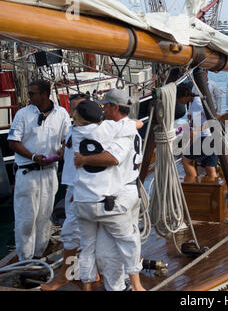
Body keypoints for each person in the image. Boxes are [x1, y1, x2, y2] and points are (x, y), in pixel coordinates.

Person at [71, 100, 145, 291]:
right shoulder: (109, 130)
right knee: (128, 241)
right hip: (104, 201)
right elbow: (138, 124)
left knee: (86, 247)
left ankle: (87, 287)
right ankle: (137, 286)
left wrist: (83, 159)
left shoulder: (74, 132)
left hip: (81, 201)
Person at [7, 79, 71, 261]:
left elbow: (68, 138)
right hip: (28, 174)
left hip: (50, 173)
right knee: (26, 220)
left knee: (44, 218)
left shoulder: (62, 114)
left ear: (44, 94)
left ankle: (38, 255)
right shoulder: (22, 114)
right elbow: (13, 141)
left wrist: (62, 150)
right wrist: (33, 157)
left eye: (33, 93)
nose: (29, 96)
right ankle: (25, 260)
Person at [40, 93, 88, 291]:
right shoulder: (73, 129)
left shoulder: (88, 133)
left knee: (70, 234)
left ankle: (65, 276)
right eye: (73, 109)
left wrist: (82, 188)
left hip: (79, 190)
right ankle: (87, 274)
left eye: (79, 109)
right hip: (71, 187)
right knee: (84, 234)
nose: (74, 113)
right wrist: (61, 152)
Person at [177, 83, 218, 183]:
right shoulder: (192, 102)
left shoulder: (198, 102)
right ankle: (213, 191)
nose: (179, 102)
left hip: (206, 138)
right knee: (210, 167)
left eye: (179, 99)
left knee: (185, 160)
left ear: (184, 96)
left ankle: (192, 184)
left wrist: (196, 130)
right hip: (211, 138)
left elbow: (212, 121)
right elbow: (200, 119)